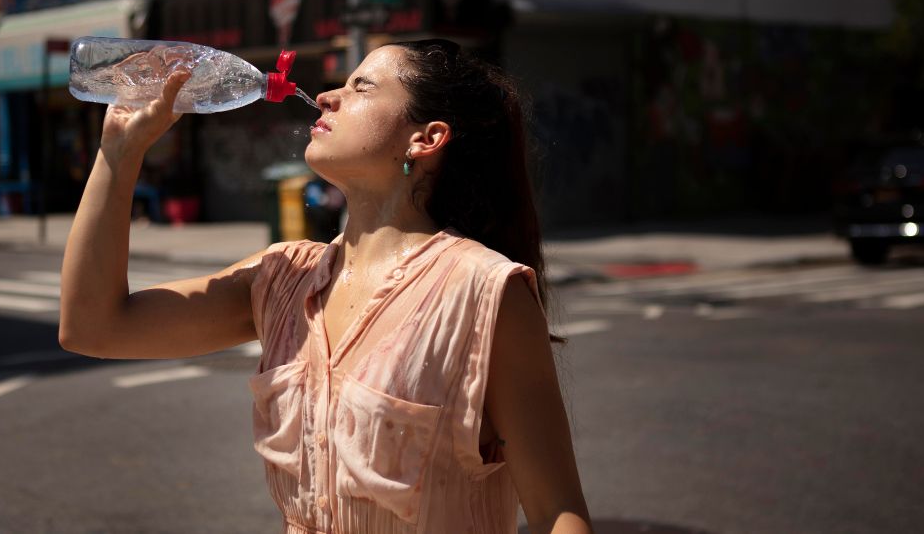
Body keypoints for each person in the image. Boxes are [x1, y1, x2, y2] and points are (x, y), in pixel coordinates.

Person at [59, 39, 592, 534]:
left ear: (426, 138)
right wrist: (119, 152)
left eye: (362, 87)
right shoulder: (281, 278)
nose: (328, 95)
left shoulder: (483, 292)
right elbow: (94, 328)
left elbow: (556, 513)